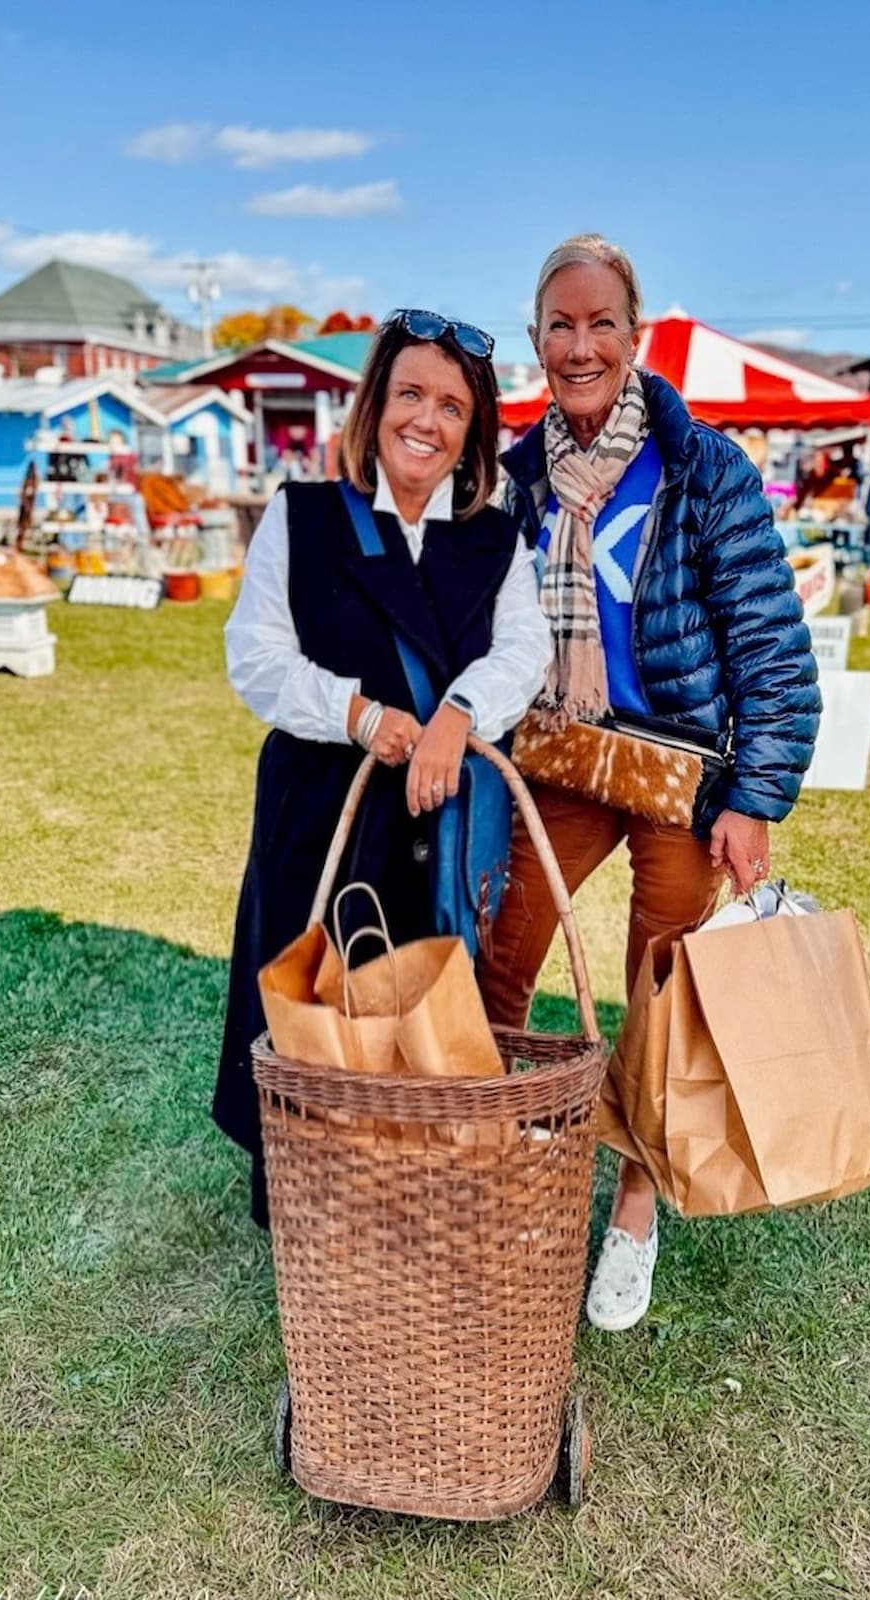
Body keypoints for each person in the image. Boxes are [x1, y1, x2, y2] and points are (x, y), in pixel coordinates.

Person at [479, 234, 822, 1332]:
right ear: (537, 341)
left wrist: (756, 798)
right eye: (560, 326)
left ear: (636, 337)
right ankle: (490, 1141)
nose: (581, 345)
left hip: (680, 770)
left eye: (601, 324)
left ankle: (634, 1200)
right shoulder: (516, 477)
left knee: (661, 990)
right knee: (504, 937)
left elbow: (770, 641)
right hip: (568, 755)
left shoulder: (702, 465)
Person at [214, 309, 551, 1226]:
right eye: (410, 393)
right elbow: (257, 655)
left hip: (435, 826)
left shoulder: (494, 541)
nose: (427, 420)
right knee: (309, 1009)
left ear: (473, 431)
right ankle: (308, 1223)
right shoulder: (304, 516)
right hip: (320, 813)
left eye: (451, 406)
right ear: (375, 405)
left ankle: (407, 1210)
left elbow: (525, 652)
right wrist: (357, 715)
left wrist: (457, 716)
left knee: (420, 1013)